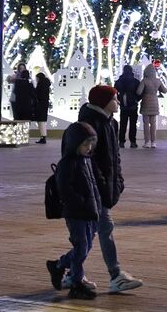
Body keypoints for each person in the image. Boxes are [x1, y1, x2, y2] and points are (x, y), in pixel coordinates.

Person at [74, 84, 142, 294]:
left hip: (103, 186)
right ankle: (115, 274)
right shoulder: (90, 125)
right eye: (115, 99)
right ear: (104, 102)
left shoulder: (110, 122)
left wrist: (118, 180)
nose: (119, 102)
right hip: (92, 187)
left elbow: (114, 157)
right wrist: (102, 183)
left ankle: (65, 268)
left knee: (91, 233)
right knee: (104, 229)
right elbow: (89, 159)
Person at [47, 121, 103, 301]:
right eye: (85, 144)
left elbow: (93, 185)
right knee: (81, 248)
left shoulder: (86, 161)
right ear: (74, 143)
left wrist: (96, 205)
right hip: (77, 213)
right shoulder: (67, 164)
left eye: (90, 144)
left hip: (90, 212)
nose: (89, 148)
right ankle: (76, 283)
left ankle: (59, 265)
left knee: (85, 247)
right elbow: (66, 190)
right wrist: (82, 203)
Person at [135, 63, 167, 148]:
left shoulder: (144, 81)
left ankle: (147, 142)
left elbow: (138, 92)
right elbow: (165, 91)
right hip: (154, 102)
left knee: (146, 123)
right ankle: (154, 142)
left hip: (146, 102)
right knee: (153, 124)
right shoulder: (158, 81)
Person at [115, 64, 140, 149]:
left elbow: (115, 91)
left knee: (123, 124)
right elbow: (140, 92)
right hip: (133, 106)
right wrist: (136, 99)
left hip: (123, 106)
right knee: (133, 125)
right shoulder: (136, 81)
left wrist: (119, 100)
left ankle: (121, 142)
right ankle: (133, 142)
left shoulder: (119, 80)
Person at [10, 65, 35, 130]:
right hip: (16, 99)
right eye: (21, 68)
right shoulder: (15, 77)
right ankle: (19, 130)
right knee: (18, 116)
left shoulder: (28, 80)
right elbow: (9, 79)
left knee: (23, 116)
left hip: (23, 101)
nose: (22, 70)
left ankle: (22, 131)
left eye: (23, 68)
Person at [34, 71, 52, 144]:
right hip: (45, 105)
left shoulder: (40, 85)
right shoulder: (46, 85)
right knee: (43, 121)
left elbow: (37, 94)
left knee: (41, 121)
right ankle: (43, 136)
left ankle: (43, 137)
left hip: (40, 105)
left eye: (37, 78)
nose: (36, 80)